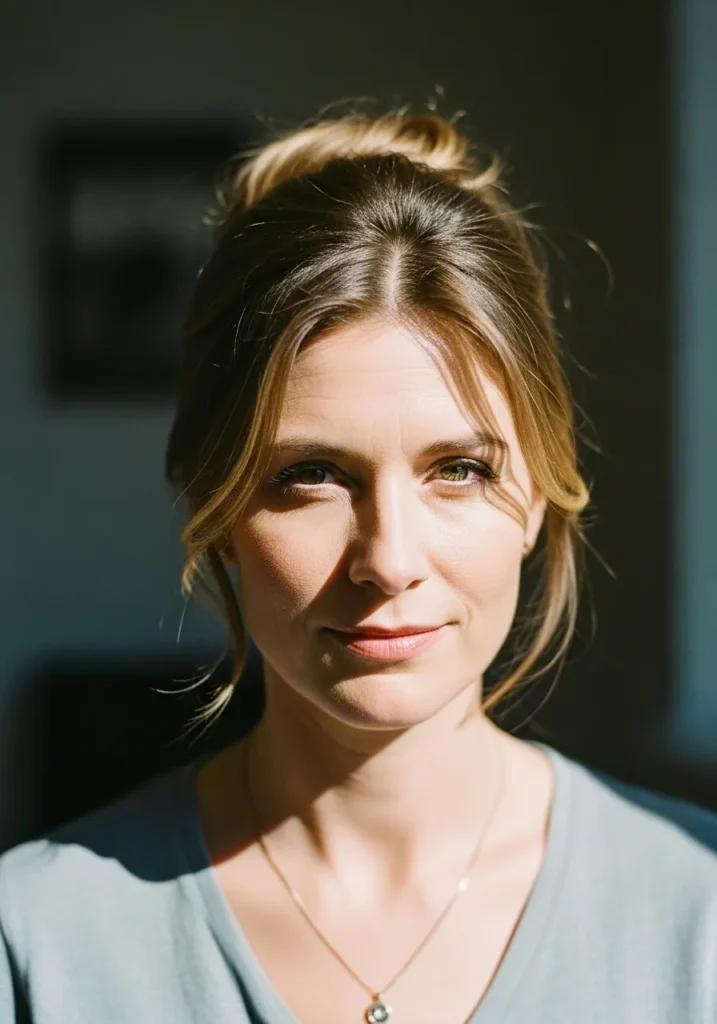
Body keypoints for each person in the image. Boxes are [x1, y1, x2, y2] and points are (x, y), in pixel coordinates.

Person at [2, 106, 717, 1024]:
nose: (387, 559)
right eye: (311, 476)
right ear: (211, 505)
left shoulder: (695, 925)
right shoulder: (41, 941)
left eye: (457, 470)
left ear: (538, 491)